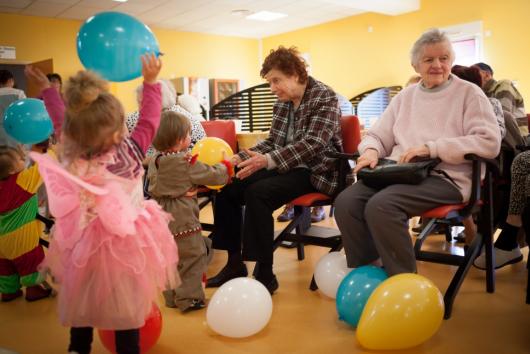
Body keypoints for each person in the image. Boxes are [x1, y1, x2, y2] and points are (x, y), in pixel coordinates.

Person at [27, 54, 179, 354]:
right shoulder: (133, 152)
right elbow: (150, 119)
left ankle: (77, 348)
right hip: (126, 245)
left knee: (82, 297)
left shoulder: (71, 152)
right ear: (117, 129)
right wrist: (150, 83)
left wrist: (48, 91)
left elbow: (60, 120)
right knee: (127, 307)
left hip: (83, 242)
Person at [334, 29, 501, 276]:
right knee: (346, 202)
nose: (437, 65)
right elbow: (378, 135)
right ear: (415, 65)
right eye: (429, 59)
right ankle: (370, 271)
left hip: (447, 176)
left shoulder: (469, 93)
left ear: (451, 60)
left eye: (444, 58)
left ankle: (401, 281)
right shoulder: (406, 96)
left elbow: (489, 141)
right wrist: (370, 151)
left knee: (382, 205)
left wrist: (431, 148)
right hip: (401, 172)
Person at [206, 46, 346, 293]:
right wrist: (236, 159)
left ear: (294, 73)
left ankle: (264, 271)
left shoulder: (324, 97)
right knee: (229, 186)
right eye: (270, 82)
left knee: (258, 192)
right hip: (285, 164)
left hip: (316, 170)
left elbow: (314, 144)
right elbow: (273, 142)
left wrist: (267, 161)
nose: (272, 88)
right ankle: (234, 263)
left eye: (276, 80)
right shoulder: (282, 103)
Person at [147, 111, 232, 312]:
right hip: (183, 220)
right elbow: (212, 175)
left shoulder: (155, 160)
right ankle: (190, 299)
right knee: (193, 257)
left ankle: (171, 297)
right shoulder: (185, 163)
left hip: (161, 219)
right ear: (178, 140)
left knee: (170, 259)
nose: (190, 139)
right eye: (187, 135)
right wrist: (226, 167)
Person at [276, 92, 353, 223]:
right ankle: (291, 205)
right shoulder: (285, 103)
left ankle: (317, 208)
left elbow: (316, 143)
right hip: (297, 165)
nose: (273, 88)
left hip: (321, 166)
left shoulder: (326, 99)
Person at [450, 64, 506, 243]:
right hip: (451, 159)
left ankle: (472, 227)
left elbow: (497, 136)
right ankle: (468, 225)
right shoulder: (448, 106)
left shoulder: (490, 103)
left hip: (482, 161)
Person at [0, 145, 53, 302]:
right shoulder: (22, 181)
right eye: (21, 159)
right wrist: (49, 151)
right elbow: (43, 167)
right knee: (31, 261)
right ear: (11, 170)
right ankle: (33, 289)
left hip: (1, 242)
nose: (24, 160)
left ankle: (9, 291)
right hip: (21, 240)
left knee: (5, 267)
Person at [126, 79, 205, 157]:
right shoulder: (176, 112)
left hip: (181, 163)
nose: (139, 107)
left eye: (141, 102)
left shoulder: (172, 119)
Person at [473, 62, 527, 137]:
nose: (471, 77)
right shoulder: (481, 93)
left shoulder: (503, 84)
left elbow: (502, 116)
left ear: (486, 75)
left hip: (516, 140)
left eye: (473, 73)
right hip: (500, 136)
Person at [0, 70, 26, 147]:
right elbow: (25, 111)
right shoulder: (19, 93)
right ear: (10, 80)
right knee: (15, 156)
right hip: (15, 130)